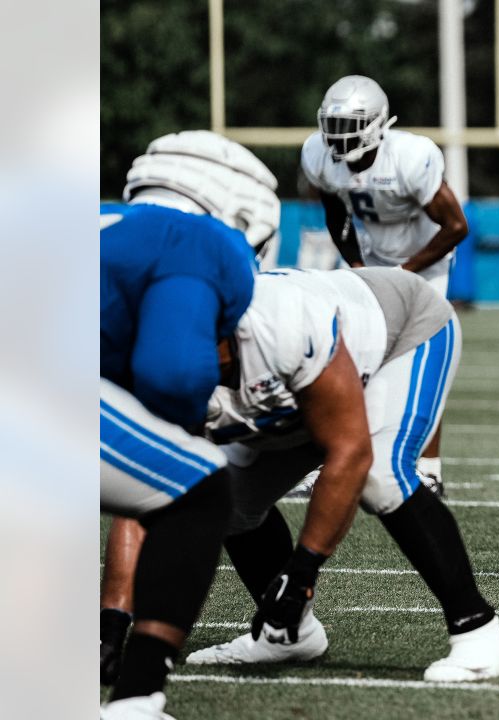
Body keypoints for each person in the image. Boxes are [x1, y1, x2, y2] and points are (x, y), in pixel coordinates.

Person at [180, 267, 499, 681]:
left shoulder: (281, 327)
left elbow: (349, 452)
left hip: (403, 334)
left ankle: (478, 631)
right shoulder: (159, 363)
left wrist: (303, 570)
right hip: (301, 381)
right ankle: (288, 633)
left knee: (379, 472)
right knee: (226, 497)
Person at [99, 130, 279, 718]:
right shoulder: (200, 241)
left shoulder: (103, 221)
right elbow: (173, 374)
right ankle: (138, 697)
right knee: (201, 485)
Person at [300, 74, 469, 495]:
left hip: (425, 260)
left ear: (376, 124)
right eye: (332, 126)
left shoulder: (410, 157)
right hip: (372, 256)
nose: (337, 137)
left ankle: (429, 469)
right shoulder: (317, 156)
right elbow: (336, 216)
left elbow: (454, 226)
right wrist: (358, 266)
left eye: (348, 125)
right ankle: (330, 457)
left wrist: (403, 274)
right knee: (344, 354)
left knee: (422, 358)